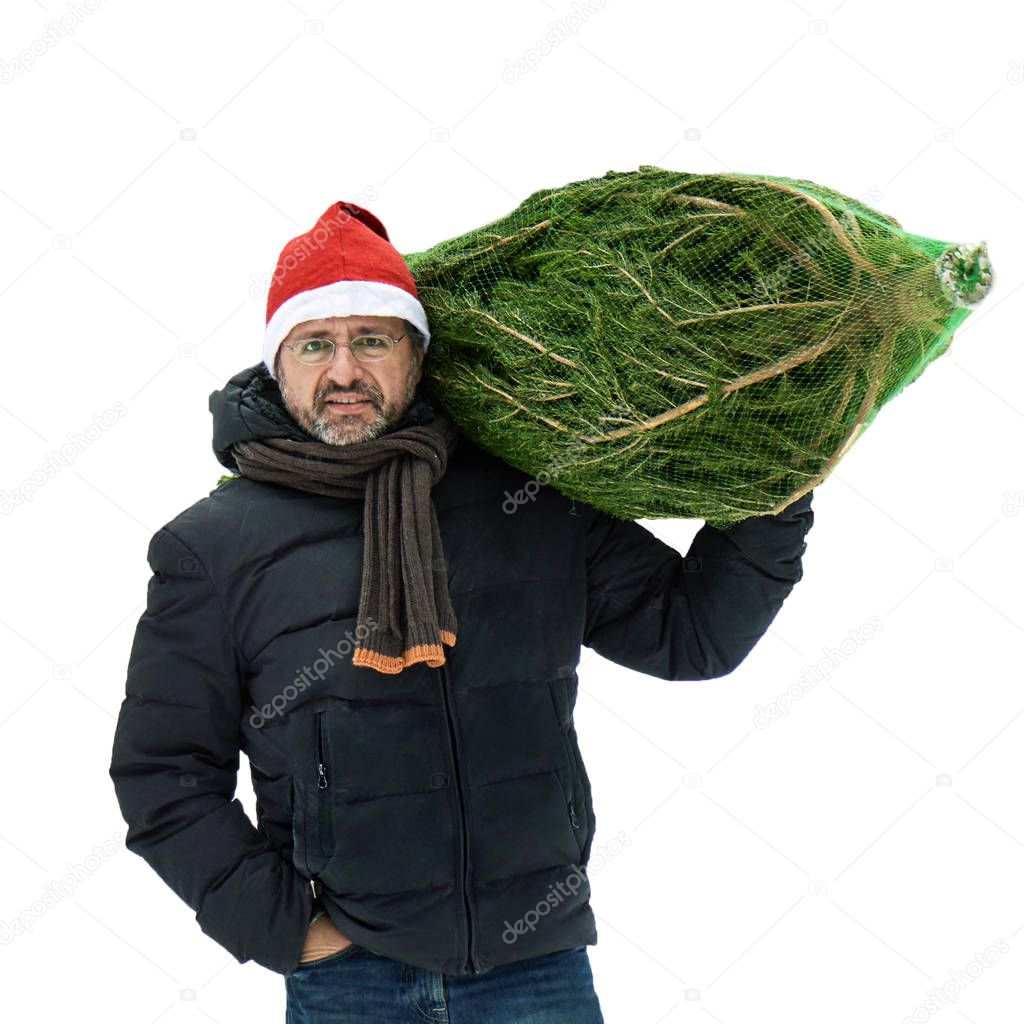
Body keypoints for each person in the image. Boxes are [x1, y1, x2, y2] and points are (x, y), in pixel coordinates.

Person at [109, 201, 815, 1023]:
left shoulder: (528, 496)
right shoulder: (215, 546)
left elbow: (691, 632)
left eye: (373, 339)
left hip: (536, 968)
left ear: (415, 355)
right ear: (278, 365)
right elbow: (164, 772)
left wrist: (777, 474)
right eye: (315, 344)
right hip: (352, 979)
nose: (344, 370)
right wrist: (290, 931)